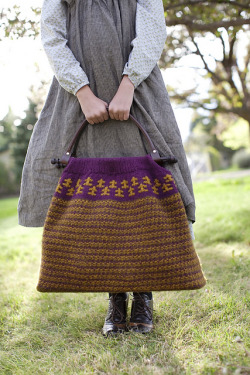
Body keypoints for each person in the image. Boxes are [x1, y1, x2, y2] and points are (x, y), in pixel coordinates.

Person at [18, 0, 197, 336]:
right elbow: (52, 36)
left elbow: (151, 28)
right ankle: (116, 296)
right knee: (99, 198)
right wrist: (83, 92)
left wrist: (128, 85)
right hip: (79, 95)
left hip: (137, 90)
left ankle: (143, 293)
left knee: (150, 183)